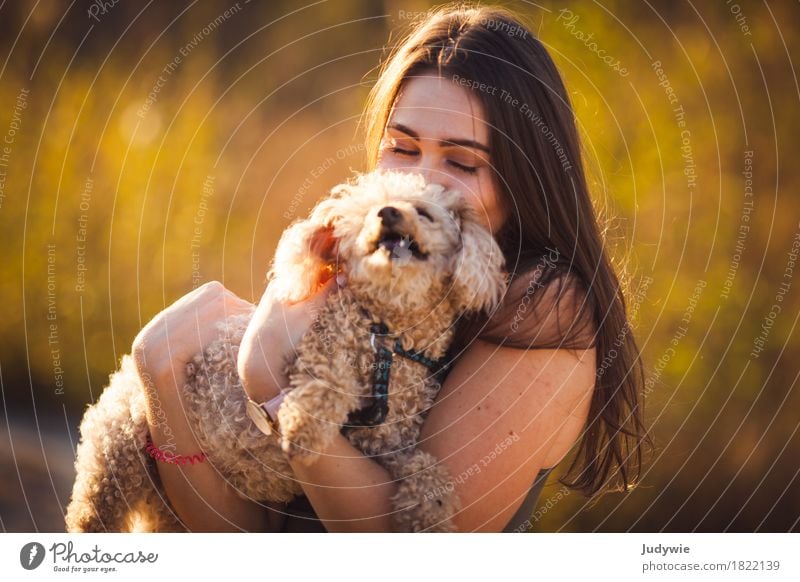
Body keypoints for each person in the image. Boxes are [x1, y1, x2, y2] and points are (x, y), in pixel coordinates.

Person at [132, 3, 649, 533]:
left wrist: (269, 382)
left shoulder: (542, 306)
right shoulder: (362, 282)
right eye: (402, 148)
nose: (420, 184)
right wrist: (164, 377)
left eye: (462, 162)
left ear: (525, 177)